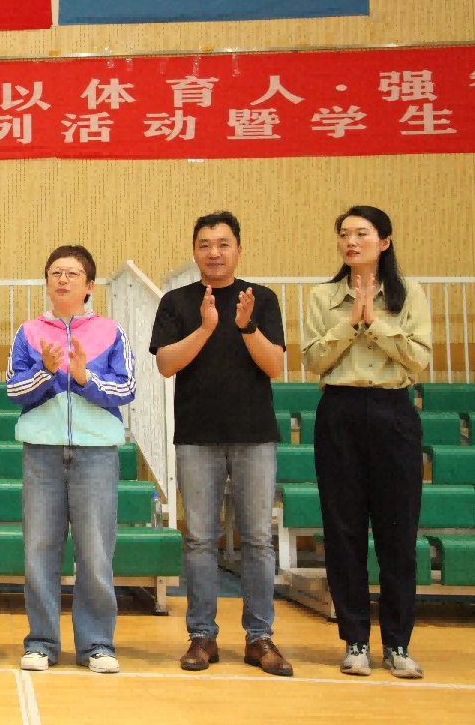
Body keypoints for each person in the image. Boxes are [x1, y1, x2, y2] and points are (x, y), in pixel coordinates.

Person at [149, 211, 293, 677]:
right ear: (194, 251)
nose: (214, 252)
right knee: (199, 540)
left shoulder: (261, 299)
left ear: (238, 249)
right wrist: (207, 328)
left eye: (223, 244)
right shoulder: (176, 301)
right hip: (197, 436)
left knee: (257, 539)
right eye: (205, 244)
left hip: (255, 436)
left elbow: (274, 366)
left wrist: (246, 326)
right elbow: (166, 364)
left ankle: (259, 637)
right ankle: (201, 635)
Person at [301, 206, 431, 679]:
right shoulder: (323, 296)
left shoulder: (409, 294)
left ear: (385, 241)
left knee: (398, 535)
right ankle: (355, 639)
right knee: (344, 531)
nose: (351, 242)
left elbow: (418, 359)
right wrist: (350, 322)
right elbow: (314, 360)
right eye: (344, 234)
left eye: (362, 233)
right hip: (339, 411)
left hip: (394, 411)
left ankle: (397, 643)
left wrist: (374, 322)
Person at [7, 245, 136, 674]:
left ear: (89, 285)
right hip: (41, 452)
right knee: (39, 551)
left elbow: (126, 388)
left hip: (96, 453)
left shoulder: (111, 331)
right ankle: (41, 642)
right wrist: (45, 372)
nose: (63, 279)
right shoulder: (28, 331)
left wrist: (84, 378)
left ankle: (97, 643)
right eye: (55, 273)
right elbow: (14, 390)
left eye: (72, 273)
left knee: (95, 553)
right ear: (47, 283)